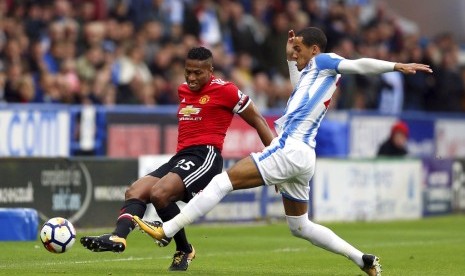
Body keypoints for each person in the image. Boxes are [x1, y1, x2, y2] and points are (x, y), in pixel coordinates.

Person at [133, 27, 433, 276]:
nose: (296, 53)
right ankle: (361, 259)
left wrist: (395, 66)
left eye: (300, 49)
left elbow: (358, 64)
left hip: (291, 149)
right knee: (300, 226)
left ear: (315, 50)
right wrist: (291, 58)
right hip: (301, 156)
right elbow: (299, 84)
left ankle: (168, 229)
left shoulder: (326, 61)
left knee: (222, 182)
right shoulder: (312, 75)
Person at [80, 46, 275, 271]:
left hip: (206, 156)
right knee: (135, 191)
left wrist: (274, 158)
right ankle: (119, 238)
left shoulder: (227, 90)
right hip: (181, 156)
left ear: (210, 70)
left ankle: (179, 245)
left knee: (159, 193)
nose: (191, 78)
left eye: (197, 73)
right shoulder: (183, 89)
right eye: (188, 71)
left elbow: (259, 120)